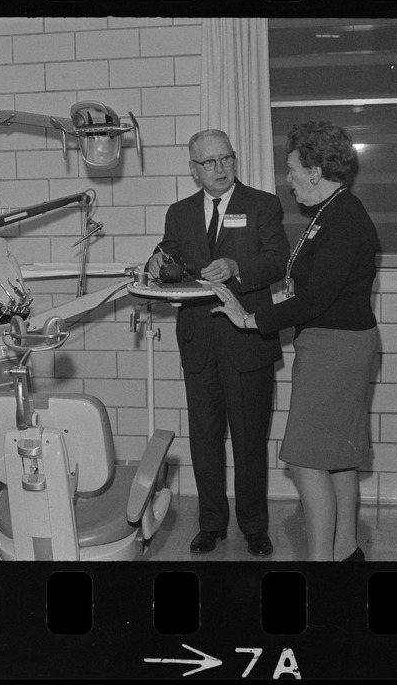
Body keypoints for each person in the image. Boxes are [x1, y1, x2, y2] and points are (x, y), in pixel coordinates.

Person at [209, 119, 379, 562]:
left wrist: (250, 319)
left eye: (293, 170)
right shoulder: (332, 212)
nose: (288, 180)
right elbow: (310, 285)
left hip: (336, 347)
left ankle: (321, 566)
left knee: (305, 461)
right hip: (333, 343)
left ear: (316, 172)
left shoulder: (343, 217)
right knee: (337, 457)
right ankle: (346, 552)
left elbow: (318, 296)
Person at [147, 129, 289, 556]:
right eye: (209, 162)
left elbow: (279, 259)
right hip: (198, 341)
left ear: (235, 160)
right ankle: (211, 523)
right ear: (193, 170)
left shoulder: (262, 205)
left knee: (249, 440)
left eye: (226, 158)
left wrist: (236, 266)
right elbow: (168, 253)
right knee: (204, 438)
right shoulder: (180, 212)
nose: (220, 168)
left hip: (246, 337)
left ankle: (254, 526)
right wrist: (156, 259)